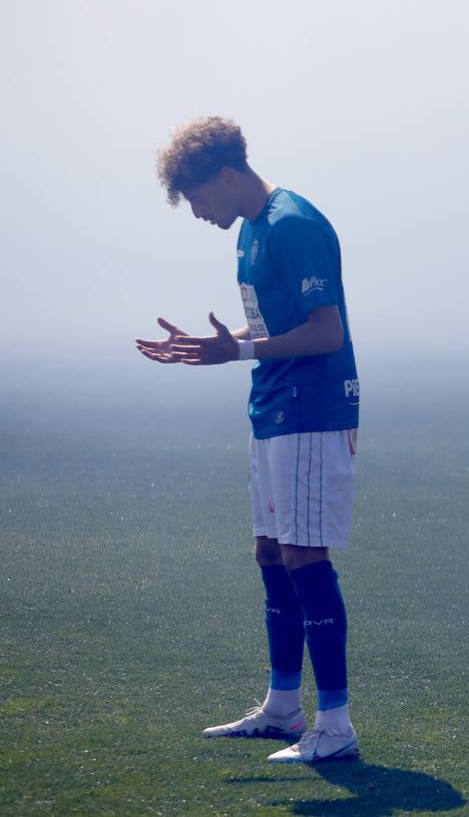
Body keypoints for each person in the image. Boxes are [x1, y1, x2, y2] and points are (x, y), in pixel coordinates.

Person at [136, 117, 361, 763]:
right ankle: (284, 708)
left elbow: (327, 333)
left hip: (312, 411)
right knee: (270, 553)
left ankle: (337, 725)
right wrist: (221, 346)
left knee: (304, 557)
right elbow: (272, 327)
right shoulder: (254, 233)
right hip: (273, 411)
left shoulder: (293, 224)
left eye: (200, 199)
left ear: (227, 177)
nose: (200, 214)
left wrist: (234, 353)